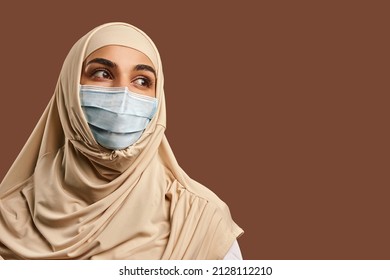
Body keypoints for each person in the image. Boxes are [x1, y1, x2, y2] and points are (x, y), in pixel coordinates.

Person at [0, 22, 243, 259]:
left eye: (142, 81)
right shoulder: (8, 217)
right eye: (102, 74)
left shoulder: (200, 220)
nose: (123, 95)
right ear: (68, 90)